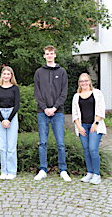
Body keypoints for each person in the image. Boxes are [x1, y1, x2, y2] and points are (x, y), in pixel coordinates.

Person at [34, 45, 71, 182]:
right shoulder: (39, 72)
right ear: (44, 56)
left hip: (58, 112)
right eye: (47, 53)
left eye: (51, 53)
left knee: (60, 143)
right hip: (42, 112)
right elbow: (37, 93)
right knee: (43, 142)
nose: (49, 55)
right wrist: (45, 108)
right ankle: (43, 169)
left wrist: (54, 108)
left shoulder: (61, 72)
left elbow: (64, 93)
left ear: (55, 55)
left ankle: (63, 170)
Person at [72, 73, 106, 184]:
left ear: (90, 81)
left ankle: (97, 174)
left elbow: (101, 109)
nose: (84, 83)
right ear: (79, 83)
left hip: (95, 126)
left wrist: (96, 123)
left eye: (86, 81)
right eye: (81, 81)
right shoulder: (76, 96)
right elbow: (75, 114)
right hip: (83, 127)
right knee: (86, 151)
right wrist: (79, 127)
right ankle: (89, 172)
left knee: (93, 149)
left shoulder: (97, 93)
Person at [0, 66, 20, 180]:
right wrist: (2, 119)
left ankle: (12, 171)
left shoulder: (15, 88)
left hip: (12, 116)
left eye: (8, 74)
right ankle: (4, 171)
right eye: (4, 74)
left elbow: (17, 105)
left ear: (11, 76)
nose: (6, 76)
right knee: (3, 146)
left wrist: (8, 119)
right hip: (0, 116)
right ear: (1, 75)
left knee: (11, 146)